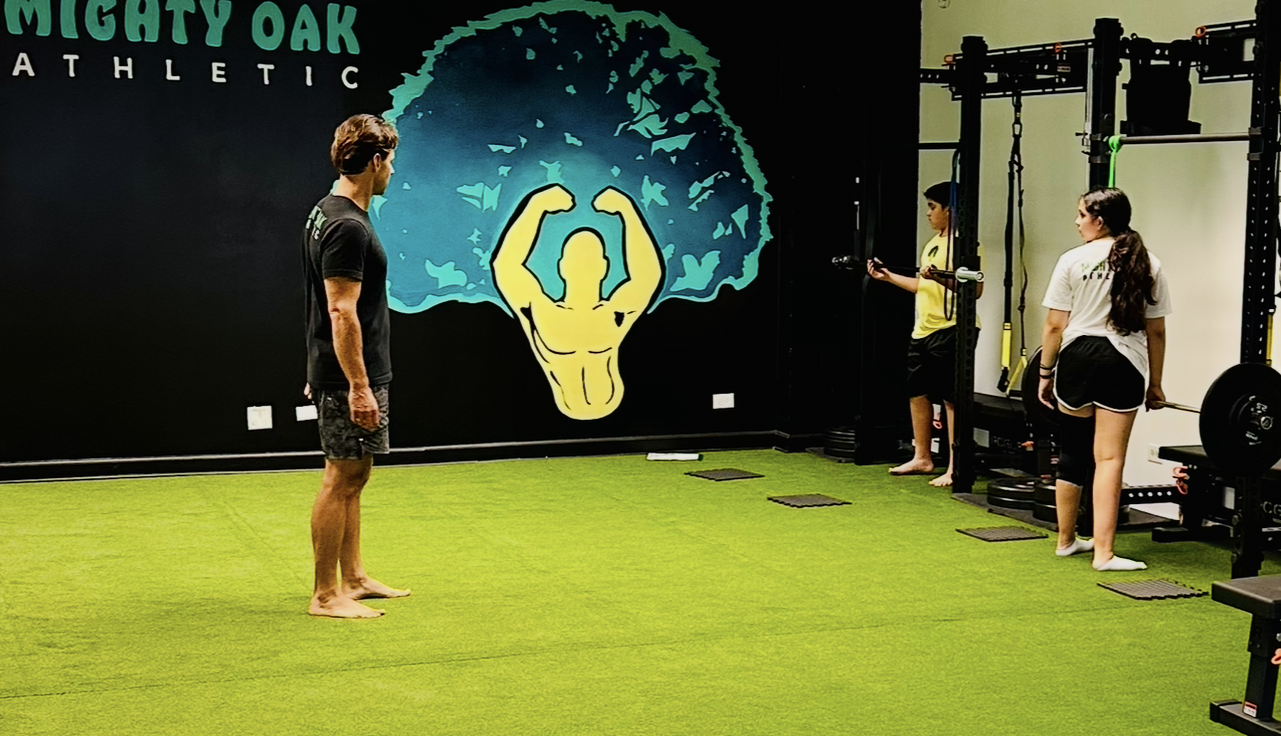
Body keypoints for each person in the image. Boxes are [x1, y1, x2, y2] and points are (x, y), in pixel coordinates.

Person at [302, 114, 409, 618]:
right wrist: (358, 387)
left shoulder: (328, 211)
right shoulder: (346, 224)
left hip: (344, 369)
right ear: (375, 161)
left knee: (355, 475)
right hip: (352, 375)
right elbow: (339, 309)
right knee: (341, 476)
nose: (392, 172)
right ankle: (325, 595)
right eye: (390, 161)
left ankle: (355, 577)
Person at [1038, 187, 1171, 572]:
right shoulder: (1149, 263)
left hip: (1077, 359)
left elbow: (1053, 325)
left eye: (1081, 214)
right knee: (1109, 459)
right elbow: (1156, 332)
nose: (1077, 222)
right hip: (1121, 362)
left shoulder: (1072, 260)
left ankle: (1065, 541)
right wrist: (1156, 383)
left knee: (1073, 453)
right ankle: (1103, 554)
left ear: (1099, 220)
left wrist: (1046, 373)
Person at [493, 183, 663, 420]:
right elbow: (506, 266)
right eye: (576, 257)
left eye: (592, 257)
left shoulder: (614, 313)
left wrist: (627, 210)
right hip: (559, 409)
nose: (584, 263)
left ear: (605, 266)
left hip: (611, 406)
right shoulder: (539, 310)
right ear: (561, 266)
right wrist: (537, 205)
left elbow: (647, 275)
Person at [867, 182, 982, 487]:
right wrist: (887, 277)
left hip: (954, 327)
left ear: (950, 210)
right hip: (923, 330)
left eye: (933, 207)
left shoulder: (965, 244)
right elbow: (922, 286)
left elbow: (976, 289)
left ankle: (956, 466)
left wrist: (941, 277)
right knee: (916, 392)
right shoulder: (932, 243)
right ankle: (922, 457)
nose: (929, 213)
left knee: (951, 399)